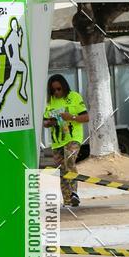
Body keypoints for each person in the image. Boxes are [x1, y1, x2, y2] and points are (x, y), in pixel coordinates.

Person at [43, 74, 89, 207]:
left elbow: (86, 117)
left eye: (59, 89)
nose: (57, 92)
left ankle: (74, 193)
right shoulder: (49, 101)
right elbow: (45, 121)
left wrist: (71, 117)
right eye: (54, 90)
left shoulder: (74, 97)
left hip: (73, 137)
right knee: (62, 170)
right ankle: (68, 200)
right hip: (57, 141)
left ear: (64, 87)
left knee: (70, 159)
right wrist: (49, 123)